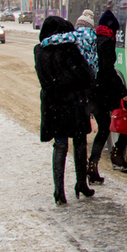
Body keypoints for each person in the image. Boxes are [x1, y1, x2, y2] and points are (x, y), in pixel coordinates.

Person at [34, 16, 95, 205]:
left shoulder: (39, 50)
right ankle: (81, 184)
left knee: (60, 145)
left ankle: (58, 191)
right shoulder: (69, 48)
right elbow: (85, 75)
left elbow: (43, 77)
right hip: (73, 102)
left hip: (53, 103)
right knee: (79, 143)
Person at [87, 9, 127, 181]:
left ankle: (92, 165)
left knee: (104, 128)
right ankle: (117, 152)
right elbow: (108, 71)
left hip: (94, 93)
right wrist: (123, 92)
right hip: (105, 93)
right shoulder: (107, 43)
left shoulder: (94, 40)